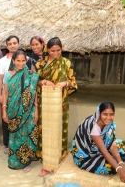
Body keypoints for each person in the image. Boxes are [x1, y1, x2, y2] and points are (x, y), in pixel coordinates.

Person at [35, 37, 77, 176]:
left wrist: (64, 83)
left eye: (58, 50)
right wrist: (44, 82)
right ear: (47, 49)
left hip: (61, 102)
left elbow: (73, 82)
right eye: (52, 51)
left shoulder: (66, 63)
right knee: (46, 131)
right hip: (45, 103)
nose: (55, 53)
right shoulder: (40, 64)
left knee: (59, 130)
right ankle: (46, 162)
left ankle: (59, 158)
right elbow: (35, 81)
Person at [71, 102, 125, 183]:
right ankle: (111, 163)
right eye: (105, 114)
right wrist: (119, 169)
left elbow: (111, 144)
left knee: (123, 146)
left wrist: (121, 165)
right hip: (86, 157)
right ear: (99, 114)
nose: (108, 117)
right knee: (112, 168)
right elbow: (104, 151)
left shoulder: (108, 125)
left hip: (101, 149)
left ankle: (115, 162)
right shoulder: (94, 127)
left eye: (111, 114)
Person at [2, 50, 39, 172]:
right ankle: (14, 160)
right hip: (13, 110)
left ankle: (27, 161)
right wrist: (4, 109)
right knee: (15, 135)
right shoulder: (8, 74)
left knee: (27, 134)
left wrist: (36, 110)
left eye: (24, 60)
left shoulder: (31, 74)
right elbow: (5, 93)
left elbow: (34, 93)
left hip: (29, 111)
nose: (21, 63)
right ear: (13, 61)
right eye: (18, 60)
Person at [0, 35, 20, 154]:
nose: (12, 45)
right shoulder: (2, 60)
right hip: (7, 95)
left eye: (14, 43)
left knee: (20, 119)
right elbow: (0, 79)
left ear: (19, 44)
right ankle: (7, 144)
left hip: (21, 96)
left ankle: (19, 143)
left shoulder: (24, 58)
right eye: (10, 44)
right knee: (6, 119)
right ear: (7, 46)